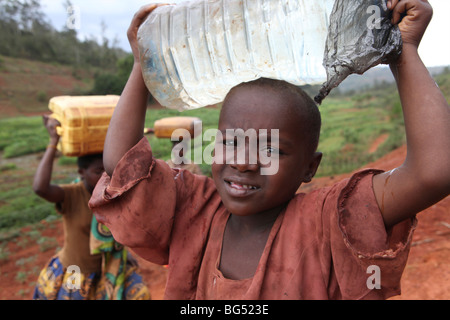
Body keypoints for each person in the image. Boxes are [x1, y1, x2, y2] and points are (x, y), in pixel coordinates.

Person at [89, 0, 450, 300]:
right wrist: (142, 64)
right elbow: (123, 168)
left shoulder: (328, 220)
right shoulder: (194, 208)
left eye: (272, 149)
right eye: (230, 142)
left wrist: (404, 52)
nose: (244, 162)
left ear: (310, 167)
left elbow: (435, 172)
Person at [32, 115, 150, 300]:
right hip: (76, 271)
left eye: (108, 169)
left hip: (112, 267)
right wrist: (53, 141)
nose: (105, 176)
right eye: (98, 171)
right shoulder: (72, 194)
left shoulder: (114, 194)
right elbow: (40, 188)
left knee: (141, 295)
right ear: (81, 172)